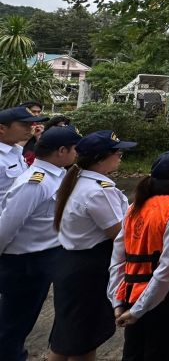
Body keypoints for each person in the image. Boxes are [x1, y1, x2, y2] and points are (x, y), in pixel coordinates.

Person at [107, 149, 169, 361]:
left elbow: (118, 257)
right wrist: (138, 310)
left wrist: (117, 301)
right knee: (161, 352)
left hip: (132, 293)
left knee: (134, 352)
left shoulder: (136, 205)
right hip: (164, 298)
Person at [51, 129, 138, 361]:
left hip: (70, 263)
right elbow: (118, 234)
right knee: (83, 340)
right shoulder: (99, 191)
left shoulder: (77, 181)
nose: (120, 156)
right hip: (89, 271)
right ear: (100, 158)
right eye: (117, 152)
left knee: (66, 336)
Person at [0, 125, 81, 361]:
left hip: (42, 259)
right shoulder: (35, 182)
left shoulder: (58, 175)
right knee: (13, 324)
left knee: (22, 321)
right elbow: (7, 226)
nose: (78, 153)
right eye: (75, 149)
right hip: (24, 264)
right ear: (61, 151)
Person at [0, 106, 48, 209]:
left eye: (31, 124)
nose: (30, 128)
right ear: (2, 129)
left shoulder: (16, 151)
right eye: (24, 125)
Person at [18, 101, 46, 166]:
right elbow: (13, 150)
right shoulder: (15, 127)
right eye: (33, 111)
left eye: (38, 112)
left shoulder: (39, 127)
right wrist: (29, 135)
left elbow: (43, 151)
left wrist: (38, 136)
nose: (36, 114)